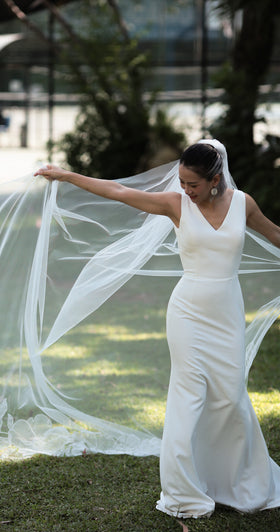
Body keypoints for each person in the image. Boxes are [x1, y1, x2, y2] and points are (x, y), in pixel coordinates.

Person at [35, 139, 280, 518]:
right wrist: (65, 176)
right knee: (188, 398)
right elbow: (117, 191)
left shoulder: (243, 204)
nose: (184, 189)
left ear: (215, 179)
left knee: (230, 399)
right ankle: (185, 494)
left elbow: (275, 234)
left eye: (192, 184)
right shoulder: (175, 204)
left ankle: (236, 484)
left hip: (228, 313)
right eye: (181, 181)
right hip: (187, 314)